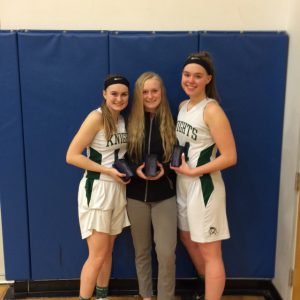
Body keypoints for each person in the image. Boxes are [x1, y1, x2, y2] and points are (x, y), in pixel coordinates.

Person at [170, 51, 237, 300]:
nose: (190, 80)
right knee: (187, 238)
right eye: (187, 75)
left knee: (211, 252)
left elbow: (230, 157)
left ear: (208, 79)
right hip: (184, 183)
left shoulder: (212, 110)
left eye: (197, 76)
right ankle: (206, 287)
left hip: (204, 185)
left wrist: (194, 171)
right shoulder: (183, 106)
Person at [66, 74, 131, 300]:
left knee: (107, 252)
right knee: (96, 255)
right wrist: (108, 171)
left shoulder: (122, 119)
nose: (119, 98)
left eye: (124, 94)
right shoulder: (96, 117)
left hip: (117, 190)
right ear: (104, 94)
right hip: (97, 189)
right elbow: (72, 156)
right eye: (114, 94)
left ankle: (102, 297)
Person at [126, 72, 177, 300]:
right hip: (135, 195)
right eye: (145, 92)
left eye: (154, 91)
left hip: (164, 195)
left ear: (161, 92)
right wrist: (134, 169)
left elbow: (179, 154)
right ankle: (146, 295)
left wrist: (164, 170)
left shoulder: (172, 120)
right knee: (142, 251)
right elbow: (120, 157)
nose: (150, 95)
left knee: (166, 253)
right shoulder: (129, 122)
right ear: (139, 95)